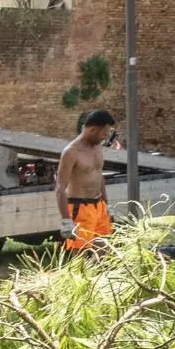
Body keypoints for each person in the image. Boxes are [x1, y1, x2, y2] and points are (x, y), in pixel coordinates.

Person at [56, 108, 116, 253]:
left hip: (98, 206)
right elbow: (60, 188)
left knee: (104, 254)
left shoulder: (97, 148)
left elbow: (99, 176)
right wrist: (66, 220)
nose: (105, 138)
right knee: (81, 259)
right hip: (80, 208)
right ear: (93, 130)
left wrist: (107, 206)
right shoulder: (71, 152)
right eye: (104, 134)